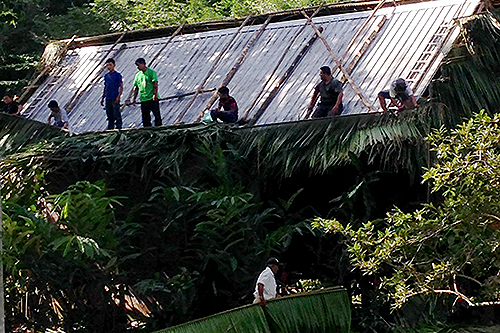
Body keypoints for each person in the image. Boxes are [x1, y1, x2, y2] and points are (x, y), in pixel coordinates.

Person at [131, 58, 162, 127]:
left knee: (157, 115)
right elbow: (136, 88)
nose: (138, 67)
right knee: (145, 117)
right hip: (144, 99)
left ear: (143, 64)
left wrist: (155, 94)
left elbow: (155, 83)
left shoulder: (151, 72)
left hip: (152, 98)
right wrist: (134, 99)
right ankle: (147, 130)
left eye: (138, 65)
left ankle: (159, 128)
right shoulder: (138, 75)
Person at [100, 58, 123, 130]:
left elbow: (121, 86)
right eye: (107, 65)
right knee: (109, 114)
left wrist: (119, 96)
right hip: (108, 97)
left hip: (114, 96)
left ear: (114, 65)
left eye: (110, 65)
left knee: (116, 113)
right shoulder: (106, 76)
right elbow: (105, 87)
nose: (109, 67)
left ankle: (118, 127)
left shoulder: (117, 75)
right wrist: (103, 97)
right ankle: (110, 128)